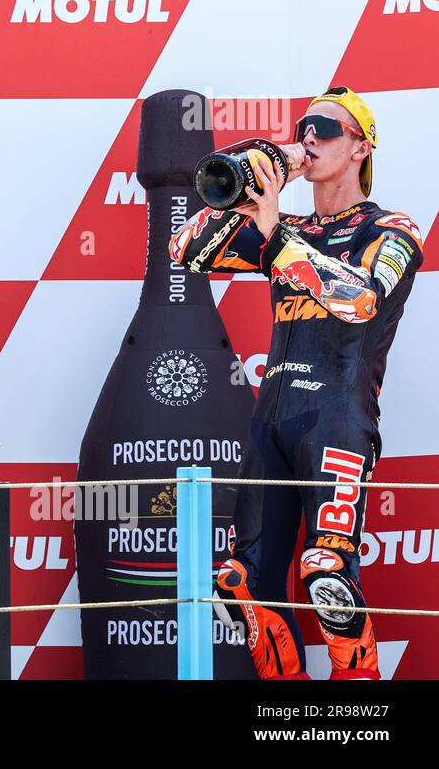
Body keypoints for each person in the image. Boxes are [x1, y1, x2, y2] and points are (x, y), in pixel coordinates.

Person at [169, 88, 424, 680]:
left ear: (361, 147)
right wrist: (253, 170)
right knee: (241, 585)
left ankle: (356, 692)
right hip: (272, 422)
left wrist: (277, 235)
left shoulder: (392, 226)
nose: (308, 137)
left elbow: (360, 300)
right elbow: (189, 248)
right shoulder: (281, 222)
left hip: (337, 420)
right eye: (303, 128)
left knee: (326, 572)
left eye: (325, 130)